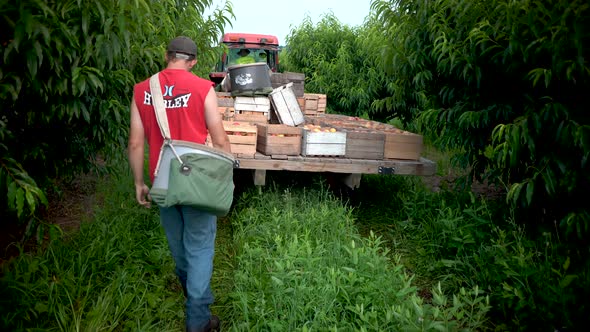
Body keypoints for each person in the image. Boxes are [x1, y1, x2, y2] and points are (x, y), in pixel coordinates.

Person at [128, 36, 231, 332]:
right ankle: (197, 319)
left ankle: (194, 296)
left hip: (162, 182)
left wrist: (139, 182)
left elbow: (136, 142)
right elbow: (220, 138)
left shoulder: (142, 89)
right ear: (194, 61)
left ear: (167, 55)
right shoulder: (203, 88)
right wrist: (225, 174)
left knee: (179, 246)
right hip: (196, 180)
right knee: (199, 246)